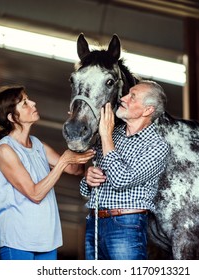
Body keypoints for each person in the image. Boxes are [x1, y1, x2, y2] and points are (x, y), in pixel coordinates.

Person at [0, 85, 95, 260]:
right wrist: (62, 162)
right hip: (18, 240)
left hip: (46, 240)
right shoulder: (5, 150)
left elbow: (75, 169)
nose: (32, 102)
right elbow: (35, 193)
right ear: (12, 117)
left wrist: (78, 129)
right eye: (24, 103)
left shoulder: (37, 145)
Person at [80, 80, 170, 260]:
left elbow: (121, 180)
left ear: (147, 110)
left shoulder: (157, 146)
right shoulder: (113, 136)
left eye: (132, 96)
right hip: (95, 222)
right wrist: (88, 178)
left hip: (126, 226)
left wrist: (105, 136)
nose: (123, 98)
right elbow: (85, 190)